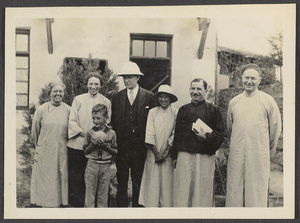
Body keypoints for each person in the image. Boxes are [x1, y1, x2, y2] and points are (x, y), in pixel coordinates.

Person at [226, 63, 281, 207]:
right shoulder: (234, 102)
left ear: (259, 80)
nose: (249, 81)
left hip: (258, 150)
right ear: (241, 79)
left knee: (257, 187)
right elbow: (230, 128)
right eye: (246, 78)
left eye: (253, 78)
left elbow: (275, 128)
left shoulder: (267, 100)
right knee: (235, 186)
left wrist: (268, 149)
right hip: (237, 150)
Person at [171, 78, 225, 207]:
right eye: (193, 88)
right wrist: (174, 156)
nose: (195, 92)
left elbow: (220, 134)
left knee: (202, 191)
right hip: (184, 156)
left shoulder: (213, 110)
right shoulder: (183, 110)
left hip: (204, 156)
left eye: (199, 89)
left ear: (205, 91)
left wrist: (206, 136)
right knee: (182, 191)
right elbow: (177, 134)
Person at [111, 61, 154, 207]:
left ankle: (137, 210)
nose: (126, 80)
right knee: (121, 179)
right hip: (122, 148)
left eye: (129, 77)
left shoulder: (149, 97)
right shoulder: (117, 97)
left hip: (140, 148)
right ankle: (121, 211)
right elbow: (113, 122)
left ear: (138, 78)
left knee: (138, 180)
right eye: (124, 78)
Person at [67, 72, 111, 207]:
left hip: (97, 146)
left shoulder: (106, 101)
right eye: (91, 83)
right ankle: (77, 206)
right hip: (78, 143)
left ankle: (93, 207)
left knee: (94, 179)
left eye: (96, 84)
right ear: (87, 84)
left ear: (101, 85)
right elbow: (72, 120)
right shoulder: (78, 99)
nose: (93, 86)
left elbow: (108, 122)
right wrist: (84, 133)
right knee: (77, 176)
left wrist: (98, 137)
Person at [30, 81, 70, 207]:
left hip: (62, 148)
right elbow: (35, 130)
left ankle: (61, 203)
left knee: (60, 175)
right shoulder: (41, 110)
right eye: (55, 91)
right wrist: (39, 146)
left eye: (60, 91)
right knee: (45, 177)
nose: (58, 94)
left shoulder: (68, 110)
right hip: (45, 149)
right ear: (50, 93)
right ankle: (42, 202)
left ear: (63, 94)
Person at [139, 85, 178, 207]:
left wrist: (165, 152)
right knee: (153, 181)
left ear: (170, 99)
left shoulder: (175, 112)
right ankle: (151, 208)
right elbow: (150, 133)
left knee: (167, 181)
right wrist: (156, 153)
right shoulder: (152, 112)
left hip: (167, 154)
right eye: (161, 97)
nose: (163, 100)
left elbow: (175, 133)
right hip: (153, 153)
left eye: (166, 97)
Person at [83, 104, 117, 207]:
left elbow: (115, 151)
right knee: (90, 193)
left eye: (98, 118)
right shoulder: (89, 132)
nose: (95, 121)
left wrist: (106, 147)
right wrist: (93, 145)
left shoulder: (111, 133)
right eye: (93, 118)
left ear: (106, 118)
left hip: (105, 166)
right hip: (92, 165)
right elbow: (85, 151)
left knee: (103, 194)